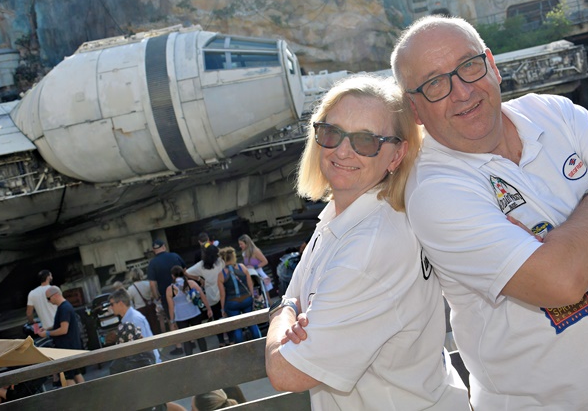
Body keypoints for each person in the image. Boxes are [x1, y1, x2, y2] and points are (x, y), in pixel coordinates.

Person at [390, 15, 588, 409]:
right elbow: (561, 282)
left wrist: (577, 268)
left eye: (469, 65)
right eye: (435, 84)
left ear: (492, 65)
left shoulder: (550, 111)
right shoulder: (435, 190)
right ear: (415, 109)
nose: (462, 91)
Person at [265, 74, 469, 409]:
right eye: (332, 133)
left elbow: (287, 372)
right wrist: (292, 310)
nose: (343, 150)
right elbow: (296, 294)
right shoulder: (342, 218)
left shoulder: (369, 247)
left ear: (396, 155)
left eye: (366, 140)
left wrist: (281, 314)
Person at [38, 286, 85, 385]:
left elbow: (63, 330)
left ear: (56, 295)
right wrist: (48, 329)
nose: (48, 301)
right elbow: (62, 325)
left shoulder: (64, 308)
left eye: (48, 298)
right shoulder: (65, 307)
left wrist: (47, 333)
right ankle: (86, 392)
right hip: (71, 346)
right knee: (76, 373)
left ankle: (76, 394)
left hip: (67, 348)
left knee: (68, 378)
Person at [147, 238, 186, 353]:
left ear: (154, 250)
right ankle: (191, 341)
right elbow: (185, 271)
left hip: (166, 295)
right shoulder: (175, 256)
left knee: (171, 319)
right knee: (185, 316)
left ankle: (179, 346)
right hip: (182, 291)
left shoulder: (153, 263)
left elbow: (152, 284)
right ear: (164, 247)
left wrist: (157, 297)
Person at [187, 244, 228, 347]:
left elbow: (186, 272)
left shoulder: (201, 265)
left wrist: (199, 279)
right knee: (226, 315)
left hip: (210, 293)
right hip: (222, 290)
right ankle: (230, 337)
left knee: (216, 319)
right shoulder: (220, 262)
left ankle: (221, 341)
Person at [218, 247, 261, 343]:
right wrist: (252, 297)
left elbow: (222, 294)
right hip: (246, 299)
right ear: (233, 257)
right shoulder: (242, 267)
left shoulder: (221, 274)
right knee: (252, 323)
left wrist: (223, 309)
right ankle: (259, 342)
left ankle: (241, 347)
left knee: (237, 327)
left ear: (223, 259)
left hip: (232, 302)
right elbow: (250, 284)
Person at [166, 266, 211, 355]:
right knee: (200, 336)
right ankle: (205, 354)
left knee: (186, 340)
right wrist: (208, 309)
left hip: (181, 317)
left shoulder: (170, 289)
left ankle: (189, 357)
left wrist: (172, 320)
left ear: (172, 276)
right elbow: (202, 296)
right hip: (194, 313)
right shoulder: (191, 283)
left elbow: (171, 307)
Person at [109, 288, 161, 363]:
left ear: (120, 303)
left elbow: (143, 343)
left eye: (112, 304)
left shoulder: (134, 319)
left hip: (148, 362)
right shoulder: (129, 318)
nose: (111, 307)